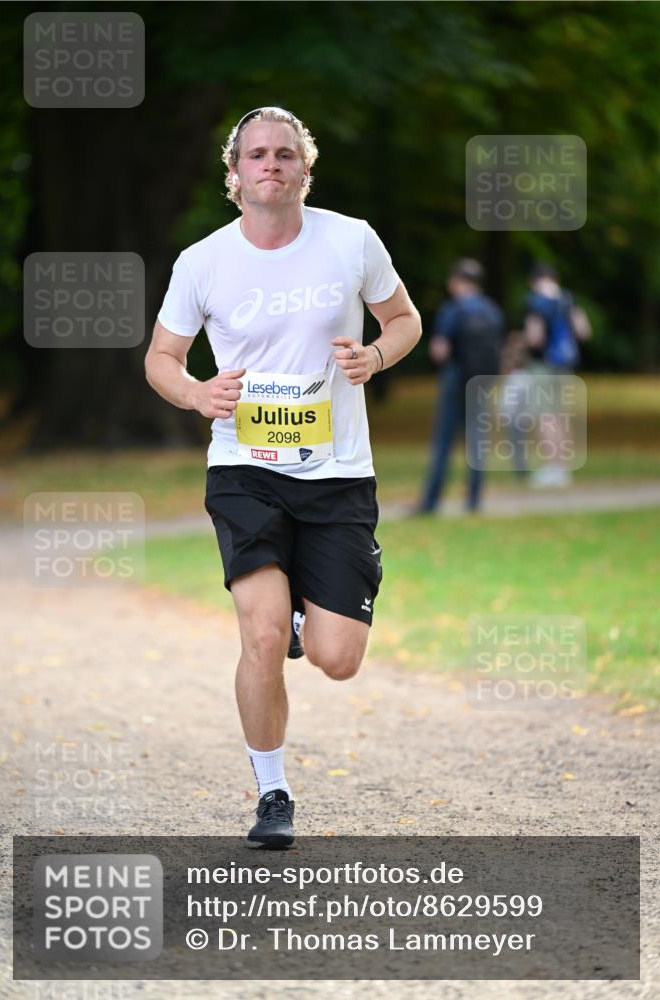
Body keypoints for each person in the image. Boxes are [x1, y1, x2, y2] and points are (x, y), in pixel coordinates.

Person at [145, 107, 421, 848]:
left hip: (337, 474)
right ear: (234, 176)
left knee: (336, 659)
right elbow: (160, 360)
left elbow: (403, 320)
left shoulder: (350, 239)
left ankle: (312, 610)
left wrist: (377, 357)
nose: (272, 164)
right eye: (257, 155)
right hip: (244, 469)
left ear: (305, 168)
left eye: (286, 154)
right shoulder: (203, 261)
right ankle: (272, 793)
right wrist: (199, 393)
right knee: (260, 636)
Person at [418, 258, 505, 513]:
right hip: (481, 381)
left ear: (457, 281)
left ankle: (432, 501)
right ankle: (474, 500)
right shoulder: (492, 310)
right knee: (477, 440)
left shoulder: (452, 310)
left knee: (444, 439)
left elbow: (440, 350)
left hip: (455, 377)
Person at [523, 263, 591, 487]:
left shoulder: (536, 301)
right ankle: (562, 466)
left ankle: (553, 468)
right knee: (560, 415)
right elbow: (583, 331)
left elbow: (535, 338)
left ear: (533, 280)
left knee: (545, 416)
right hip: (564, 365)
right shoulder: (568, 299)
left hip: (543, 366)